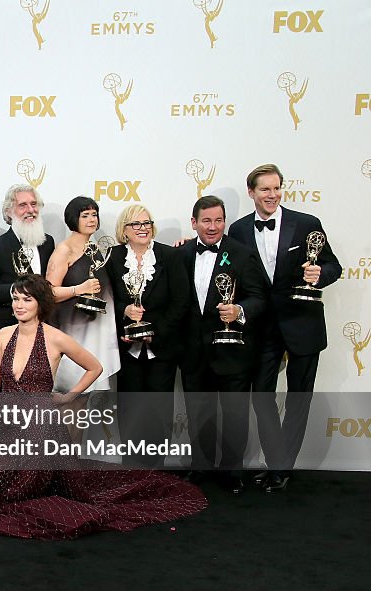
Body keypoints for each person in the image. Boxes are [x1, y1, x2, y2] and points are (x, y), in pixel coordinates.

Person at [0, 276, 208, 539]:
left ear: (40, 303)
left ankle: (10, 493)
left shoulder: (56, 338)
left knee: (23, 461)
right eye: (15, 299)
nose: (19, 305)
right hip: (5, 413)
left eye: (27, 299)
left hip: (39, 420)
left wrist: (69, 396)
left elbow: (95, 367)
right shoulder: (3, 334)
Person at [227, 164, 341, 492]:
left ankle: (282, 467)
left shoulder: (306, 224)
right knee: (262, 396)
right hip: (262, 328)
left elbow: (333, 265)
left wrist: (319, 274)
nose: (272, 195)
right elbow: (225, 265)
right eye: (265, 189)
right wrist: (186, 249)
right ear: (252, 192)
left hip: (303, 324)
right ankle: (277, 460)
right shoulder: (238, 230)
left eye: (277, 188)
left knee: (298, 398)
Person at [178, 195, 267, 494]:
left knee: (235, 414)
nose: (213, 226)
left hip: (233, 350)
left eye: (218, 220)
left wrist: (239, 311)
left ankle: (232, 471)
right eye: (206, 220)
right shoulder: (182, 253)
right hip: (194, 351)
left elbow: (258, 297)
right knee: (198, 413)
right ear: (194, 223)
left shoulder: (241, 254)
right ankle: (200, 466)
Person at [106, 204, 188, 468]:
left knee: (159, 410)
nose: (142, 229)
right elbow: (105, 298)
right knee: (130, 409)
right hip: (127, 348)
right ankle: (131, 469)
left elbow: (181, 301)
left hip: (161, 348)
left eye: (146, 223)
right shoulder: (113, 257)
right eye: (136, 224)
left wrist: (156, 331)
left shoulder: (169, 256)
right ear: (124, 230)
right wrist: (125, 310)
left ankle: (155, 471)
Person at [46, 196, 121, 392]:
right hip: (71, 333)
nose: (91, 220)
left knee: (94, 396)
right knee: (73, 396)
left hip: (97, 332)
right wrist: (79, 289)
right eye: (85, 215)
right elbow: (49, 292)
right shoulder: (64, 250)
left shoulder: (94, 249)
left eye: (94, 215)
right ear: (73, 219)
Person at [0, 184, 55, 351]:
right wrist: (18, 290)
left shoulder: (48, 243)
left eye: (34, 204)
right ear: (9, 212)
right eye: (22, 205)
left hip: (42, 327)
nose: (30, 210)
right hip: (8, 328)